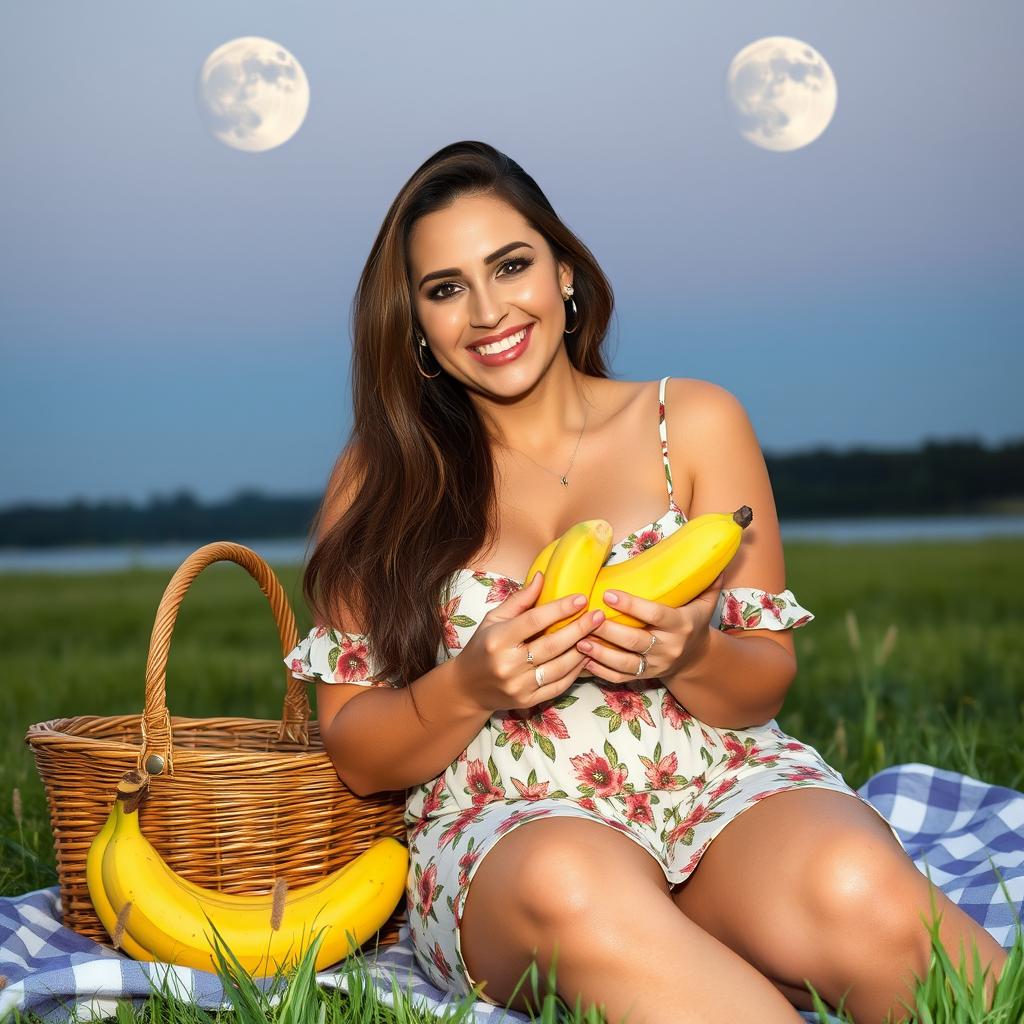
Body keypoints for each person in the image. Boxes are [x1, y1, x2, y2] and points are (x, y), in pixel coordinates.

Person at [284, 141, 1008, 1024]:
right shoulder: (380, 477)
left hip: (716, 784)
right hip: (510, 830)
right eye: (445, 288)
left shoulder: (693, 422)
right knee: (573, 881)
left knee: (858, 884)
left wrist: (692, 652)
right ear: (415, 327)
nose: (487, 311)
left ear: (566, 274)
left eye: (511, 266)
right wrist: (470, 684)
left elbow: (762, 681)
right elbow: (355, 750)